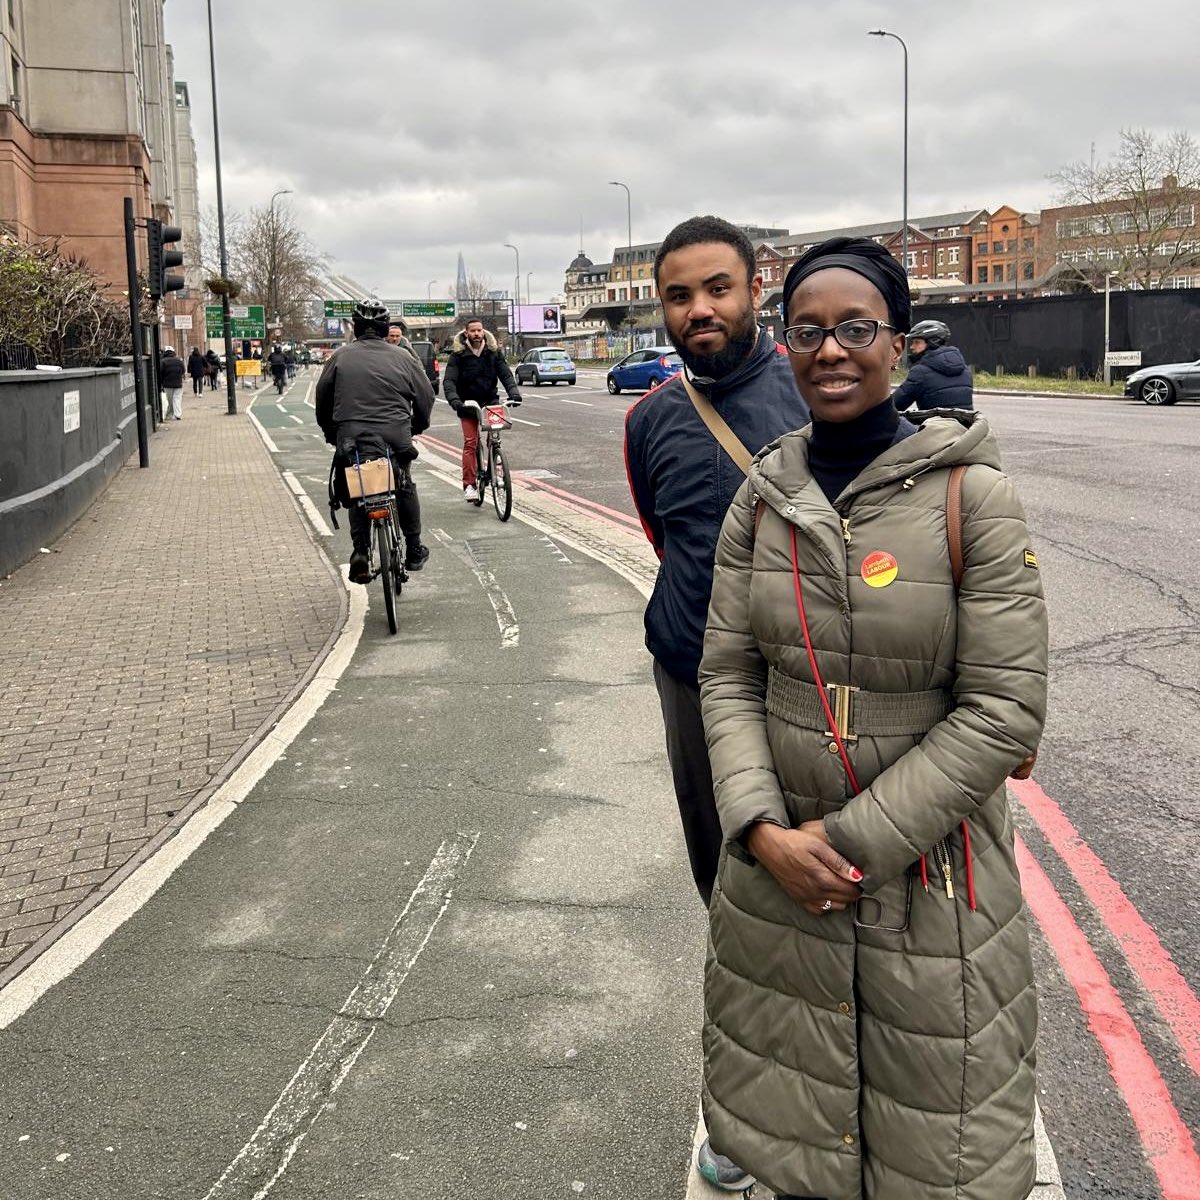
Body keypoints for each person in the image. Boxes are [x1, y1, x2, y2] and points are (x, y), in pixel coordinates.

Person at [697, 236, 1047, 1200]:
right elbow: (724, 672)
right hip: (780, 883)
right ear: (786, 345)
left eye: (857, 327)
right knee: (796, 1134)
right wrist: (762, 828)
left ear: (898, 342)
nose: (831, 350)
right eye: (807, 331)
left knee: (939, 1143)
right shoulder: (762, 500)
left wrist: (844, 845)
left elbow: (1005, 709)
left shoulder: (972, 498)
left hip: (931, 881)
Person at [623, 214, 810, 1194]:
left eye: (718, 289)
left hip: (811, 690)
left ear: (753, 291)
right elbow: (666, 538)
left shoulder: (816, 396)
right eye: (680, 295)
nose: (700, 309)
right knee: (728, 893)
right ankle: (745, 1112)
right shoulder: (650, 419)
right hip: (691, 679)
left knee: (822, 894)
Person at [315, 299, 434, 582]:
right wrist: (416, 426)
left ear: (356, 328)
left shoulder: (340, 357)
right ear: (385, 329)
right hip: (395, 433)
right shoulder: (404, 357)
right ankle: (414, 548)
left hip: (352, 436)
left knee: (358, 491)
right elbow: (425, 396)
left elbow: (322, 399)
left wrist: (332, 433)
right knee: (402, 481)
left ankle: (360, 553)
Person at [443, 319, 522, 502]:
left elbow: (506, 375)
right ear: (466, 333)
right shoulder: (459, 355)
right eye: (473, 331)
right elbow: (449, 381)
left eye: (479, 330)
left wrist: (514, 393)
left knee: (494, 440)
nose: (477, 334)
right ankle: (469, 485)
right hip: (468, 405)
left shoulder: (493, 353)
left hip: (490, 403)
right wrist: (455, 400)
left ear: (483, 332)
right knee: (471, 443)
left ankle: (495, 470)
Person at [890, 317, 973, 411]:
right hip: (966, 424)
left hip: (934, 425)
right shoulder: (965, 370)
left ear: (932, 342)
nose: (912, 347)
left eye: (917, 342)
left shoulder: (920, 372)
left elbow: (895, 405)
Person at [159, 345, 185, 420]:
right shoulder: (179, 361)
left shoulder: (163, 361)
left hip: (167, 384)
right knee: (177, 399)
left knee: (169, 400)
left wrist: (161, 382)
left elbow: (160, 373)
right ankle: (178, 414)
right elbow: (183, 370)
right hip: (178, 384)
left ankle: (170, 415)